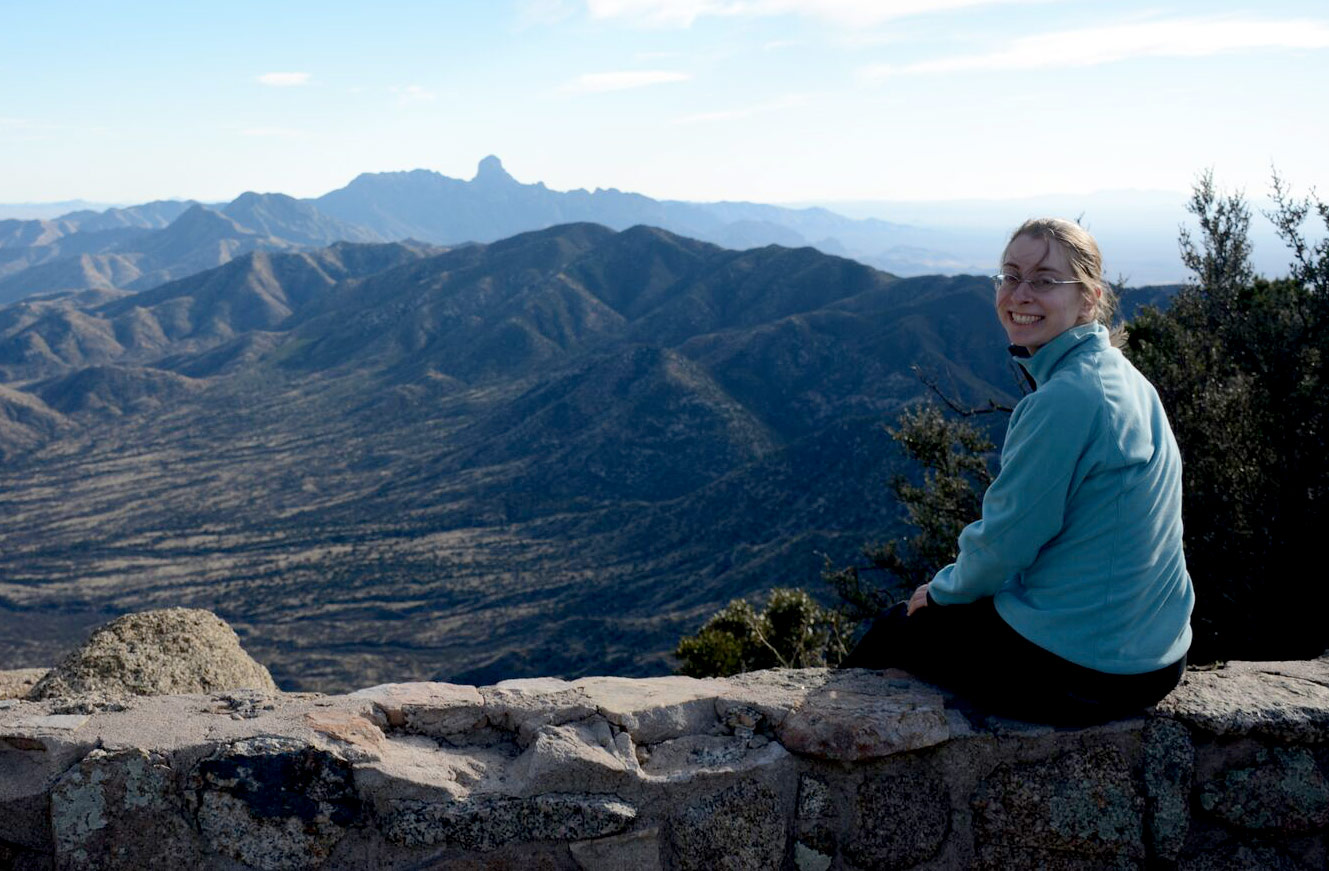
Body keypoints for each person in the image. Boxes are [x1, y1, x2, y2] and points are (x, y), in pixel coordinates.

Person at [842, 217, 1194, 725]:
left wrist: (942, 592)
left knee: (897, 629)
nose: (1020, 293)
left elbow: (1006, 541)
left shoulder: (1064, 399)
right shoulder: (1125, 378)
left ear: (1090, 298)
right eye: (1010, 276)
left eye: (1045, 280)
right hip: (1156, 656)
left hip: (1088, 669)